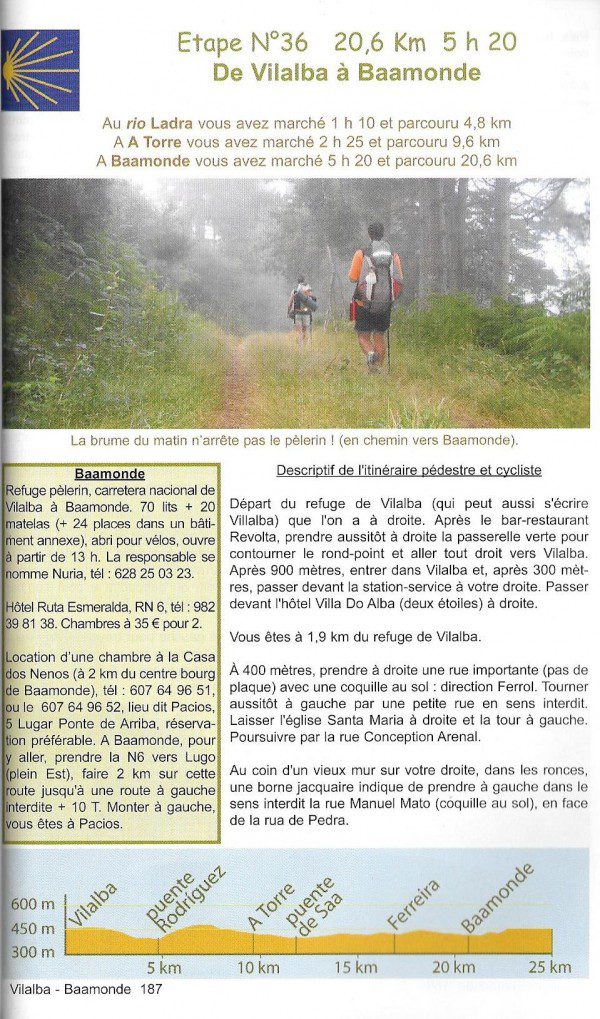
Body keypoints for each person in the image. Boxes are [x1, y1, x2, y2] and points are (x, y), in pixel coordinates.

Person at [348, 222, 403, 370]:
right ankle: (377, 370)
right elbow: (399, 278)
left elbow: (353, 278)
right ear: (382, 234)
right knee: (379, 336)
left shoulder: (361, 253)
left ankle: (370, 354)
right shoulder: (393, 254)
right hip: (385, 304)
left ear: (369, 234)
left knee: (363, 336)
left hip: (363, 303)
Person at [288, 275, 317, 347]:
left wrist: (288, 311)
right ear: (304, 281)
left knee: (299, 332)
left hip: (297, 313)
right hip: (307, 314)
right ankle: (305, 347)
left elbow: (290, 303)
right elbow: (312, 300)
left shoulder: (294, 291)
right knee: (305, 332)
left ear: (297, 282)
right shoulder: (308, 290)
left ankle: (300, 349)